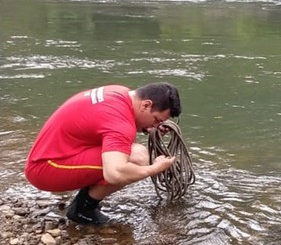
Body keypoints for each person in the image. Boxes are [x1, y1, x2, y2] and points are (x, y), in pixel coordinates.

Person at [24, 82, 183, 225]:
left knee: (133, 152)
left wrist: (148, 127)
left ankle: (84, 200)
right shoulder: (120, 123)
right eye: (156, 120)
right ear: (146, 105)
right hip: (45, 169)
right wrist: (155, 168)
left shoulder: (120, 93)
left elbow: (106, 125)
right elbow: (115, 173)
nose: (155, 125)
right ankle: (83, 210)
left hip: (55, 153)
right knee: (137, 159)